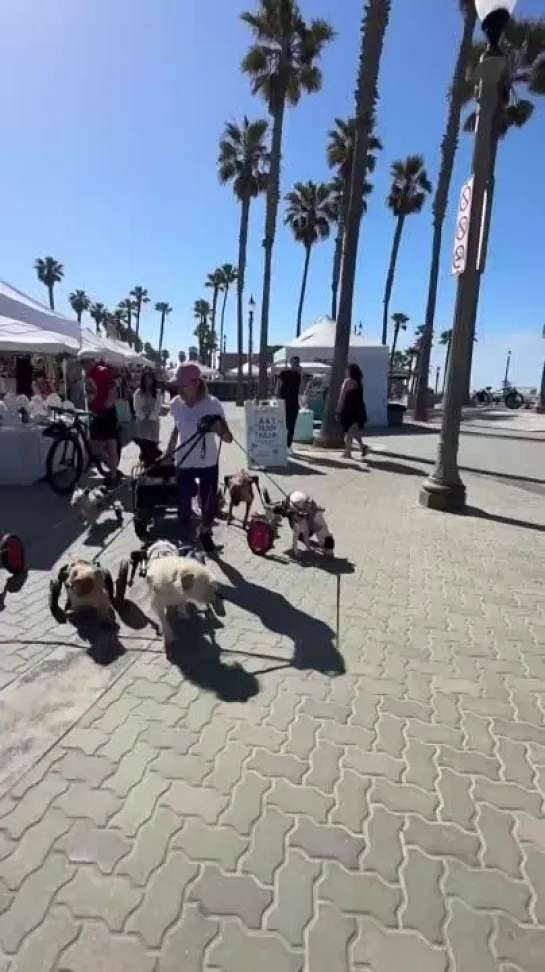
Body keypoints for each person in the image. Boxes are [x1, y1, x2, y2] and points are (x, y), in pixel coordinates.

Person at [168, 362, 232, 552]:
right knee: (184, 500)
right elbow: (176, 429)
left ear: (196, 383)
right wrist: (167, 452)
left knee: (209, 503)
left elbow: (228, 438)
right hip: (184, 460)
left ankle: (205, 534)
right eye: (177, 385)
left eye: (182, 385)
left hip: (208, 462)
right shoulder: (175, 404)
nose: (178, 389)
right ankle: (187, 535)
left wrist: (217, 428)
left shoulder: (213, 404)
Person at [83, 358, 120, 484]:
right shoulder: (87, 375)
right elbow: (90, 394)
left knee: (111, 445)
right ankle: (113, 468)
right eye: (82, 363)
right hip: (96, 413)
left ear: (91, 361)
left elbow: (113, 388)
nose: (84, 366)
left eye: (85, 362)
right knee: (95, 448)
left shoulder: (103, 371)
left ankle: (113, 475)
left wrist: (110, 400)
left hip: (107, 413)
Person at [337, 362, 368, 459]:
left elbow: (342, 397)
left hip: (348, 410)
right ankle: (362, 447)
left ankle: (348, 453)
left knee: (349, 432)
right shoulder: (359, 383)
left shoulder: (347, 382)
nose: (346, 371)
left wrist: (338, 410)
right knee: (352, 432)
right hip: (359, 410)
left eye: (347, 370)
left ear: (350, 371)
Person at [133, 368, 162, 465]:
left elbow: (158, 407)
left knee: (152, 444)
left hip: (153, 422)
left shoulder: (157, 393)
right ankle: (145, 459)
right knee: (143, 443)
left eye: (150, 379)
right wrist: (143, 416)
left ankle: (151, 462)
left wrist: (151, 416)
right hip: (141, 422)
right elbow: (136, 406)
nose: (148, 381)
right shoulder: (138, 392)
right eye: (146, 379)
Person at [277, 356, 301, 451]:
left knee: (291, 426)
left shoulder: (298, 376)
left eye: (297, 363)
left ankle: (288, 446)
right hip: (283, 403)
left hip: (294, 403)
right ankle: (281, 445)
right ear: (290, 363)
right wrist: (277, 399)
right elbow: (278, 387)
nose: (295, 365)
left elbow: (300, 389)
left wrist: (300, 373)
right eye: (294, 363)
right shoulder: (284, 373)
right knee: (282, 425)